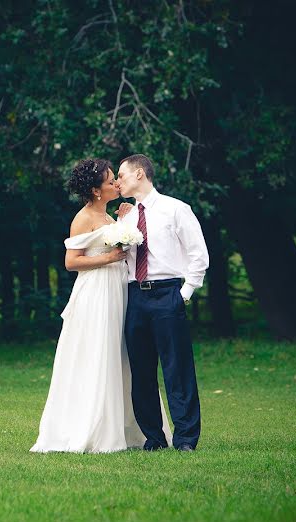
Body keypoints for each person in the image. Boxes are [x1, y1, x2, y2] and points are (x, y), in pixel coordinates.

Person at [31, 158, 171, 453]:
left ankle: (134, 429)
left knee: (123, 355)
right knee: (98, 353)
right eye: (110, 181)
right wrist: (107, 259)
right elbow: (71, 262)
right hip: (96, 294)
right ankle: (93, 427)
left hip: (119, 290)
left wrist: (124, 219)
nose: (116, 184)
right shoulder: (83, 218)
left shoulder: (110, 217)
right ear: (96, 191)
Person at [115, 154, 209, 452]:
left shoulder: (176, 209)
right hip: (134, 296)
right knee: (141, 371)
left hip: (168, 293)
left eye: (122, 175)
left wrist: (185, 292)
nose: (118, 181)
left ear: (139, 174)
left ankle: (185, 439)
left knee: (176, 368)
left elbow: (198, 254)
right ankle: (153, 438)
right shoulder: (126, 218)